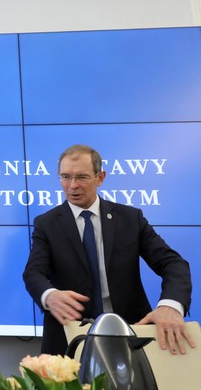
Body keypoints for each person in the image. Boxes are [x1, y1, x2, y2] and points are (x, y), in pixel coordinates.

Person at [23, 144, 194, 356]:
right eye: (65, 177)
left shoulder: (130, 218)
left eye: (82, 177)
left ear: (100, 177)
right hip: (69, 338)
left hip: (131, 333)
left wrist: (170, 305)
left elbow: (172, 263)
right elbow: (33, 273)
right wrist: (49, 295)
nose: (72, 186)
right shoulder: (46, 223)